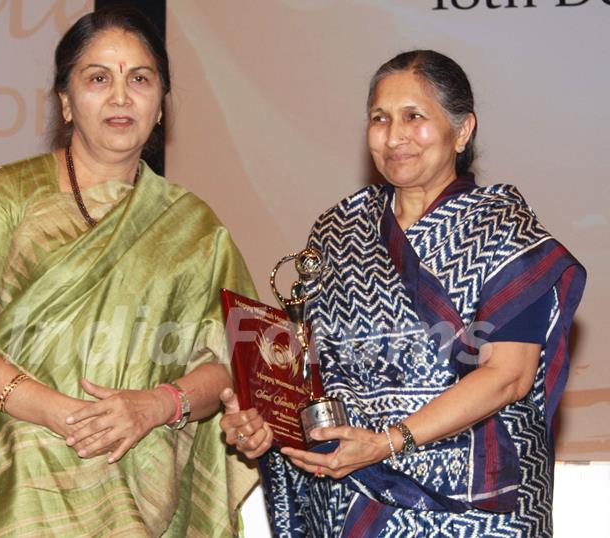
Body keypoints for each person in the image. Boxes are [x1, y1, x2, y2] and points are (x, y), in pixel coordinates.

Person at [220, 50, 585, 536]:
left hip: (475, 508)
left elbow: (508, 378)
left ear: (462, 130)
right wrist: (268, 421)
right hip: (354, 494)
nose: (394, 137)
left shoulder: (504, 233)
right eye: (380, 119)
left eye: (414, 117)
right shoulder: (337, 232)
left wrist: (390, 442)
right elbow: (313, 375)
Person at [0, 8, 257, 537]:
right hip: (20, 472)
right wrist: (61, 415)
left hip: (143, 482)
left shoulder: (195, 227)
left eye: (140, 79)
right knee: (31, 460)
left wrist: (153, 407)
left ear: (161, 106)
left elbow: (233, 366)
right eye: (99, 78)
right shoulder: (10, 193)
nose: (121, 97)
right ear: (66, 102)